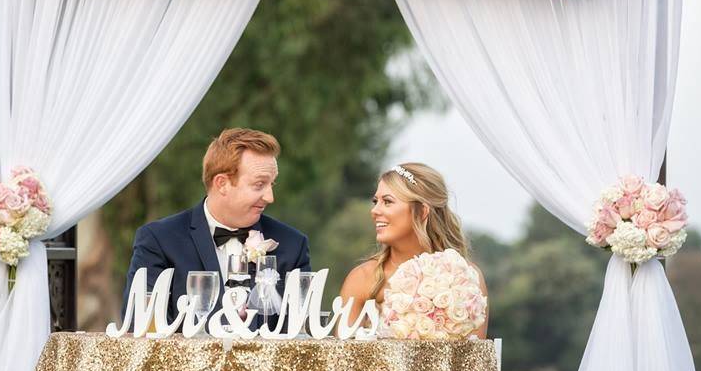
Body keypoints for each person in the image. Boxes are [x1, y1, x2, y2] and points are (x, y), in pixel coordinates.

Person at [120, 128, 310, 325]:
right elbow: (140, 327)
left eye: (272, 184)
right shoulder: (159, 240)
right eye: (259, 184)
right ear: (222, 184)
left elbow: (302, 335)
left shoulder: (292, 245)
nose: (270, 197)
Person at [339, 162, 488, 337]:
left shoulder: (465, 280)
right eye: (375, 201)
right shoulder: (362, 278)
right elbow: (340, 359)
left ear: (422, 211)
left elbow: (476, 359)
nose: (374, 210)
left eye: (387, 201)